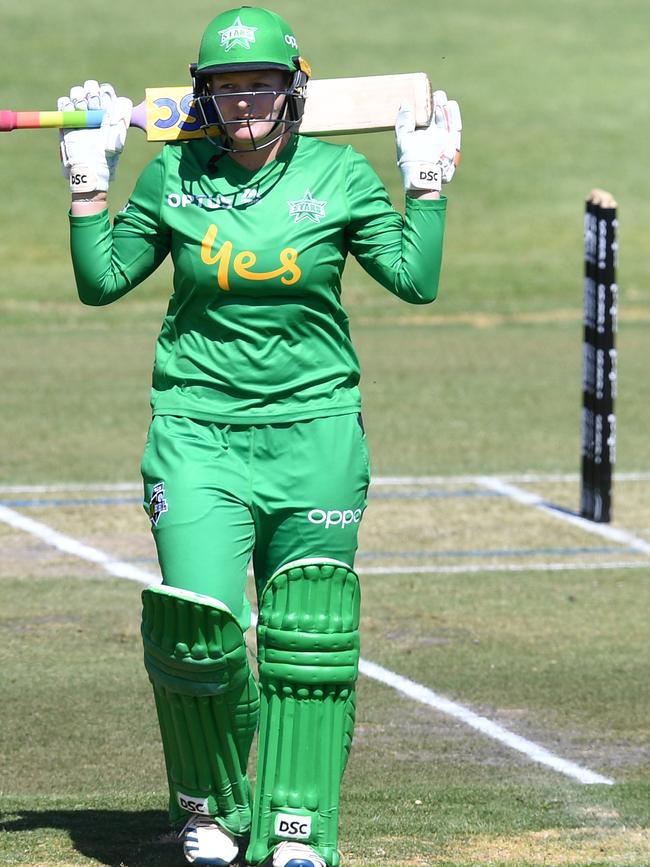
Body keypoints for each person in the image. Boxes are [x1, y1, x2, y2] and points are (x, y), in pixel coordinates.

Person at [57, 6, 461, 866]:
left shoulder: (342, 176)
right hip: (197, 431)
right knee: (196, 631)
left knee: (306, 638)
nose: (245, 104)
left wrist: (425, 187)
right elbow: (102, 282)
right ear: (203, 95)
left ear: (293, 91)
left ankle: (295, 826)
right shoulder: (173, 177)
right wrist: (89, 186)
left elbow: (414, 281)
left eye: (262, 86)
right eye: (227, 88)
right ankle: (209, 808)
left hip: (314, 432)